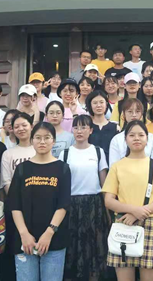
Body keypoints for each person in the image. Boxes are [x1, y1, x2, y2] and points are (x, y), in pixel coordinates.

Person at [103, 120, 153, 281]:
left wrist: (138, 213)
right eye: (132, 135)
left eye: (141, 135)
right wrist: (134, 211)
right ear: (125, 139)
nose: (136, 138)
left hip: (150, 224)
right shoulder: (117, 166)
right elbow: (109, 200)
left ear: (147, 139)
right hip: (124, 224)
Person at [7, 122, 71, 281]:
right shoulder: (22, 169)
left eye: (47, 138)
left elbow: (63, 204)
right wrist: (24, 234)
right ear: (32, 140)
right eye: (38, 137)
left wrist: (49, 233)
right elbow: (14, 205)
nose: (42, 142)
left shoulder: (62, 168)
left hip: (54, 239)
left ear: (53, 141)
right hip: (25, 240)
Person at [58, 115, 109, 281]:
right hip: (71, 205)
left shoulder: (98, 152)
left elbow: (104, 183)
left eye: (83, 127)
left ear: (91, 130)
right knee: (73, 245)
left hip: (94, 204)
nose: (79, 131)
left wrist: (107, 208)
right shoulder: (65, 153)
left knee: (94, 245)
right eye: (76, 127)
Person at [0, 113, 37, 281]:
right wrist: (19, 201)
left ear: (31, 126)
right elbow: (6, 181)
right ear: (12, 130)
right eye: (17, 126)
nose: (21, 129)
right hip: (16, 207)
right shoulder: (8, 154)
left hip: (39, 206)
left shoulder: (39, 149)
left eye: (24, 125)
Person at [108, 98, 153, 166]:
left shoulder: (151, 138)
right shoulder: (117, 139)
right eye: (130, 111)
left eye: (137, 111)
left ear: (142, 114)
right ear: (123, 114)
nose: (134, 115)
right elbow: (113, 166)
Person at [87, 90, 120, 163]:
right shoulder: (87, 127)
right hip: (91, 164)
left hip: (111, 164)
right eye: (95, 103)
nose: (98, 105)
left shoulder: (115, 127)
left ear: (106, 104)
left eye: (101, 102)